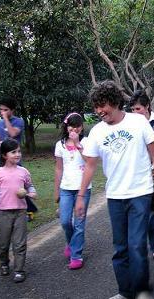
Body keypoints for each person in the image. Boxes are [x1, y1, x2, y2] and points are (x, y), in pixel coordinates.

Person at [74, 80, 154, 299]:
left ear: (115, 102)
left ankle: (142, 291)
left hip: (140, 193)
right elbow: (89, 165)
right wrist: (80, 196)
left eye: (103, 105)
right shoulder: (97, 132)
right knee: (120, 248)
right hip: (115, 195)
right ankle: (125, 292)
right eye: (96, 106)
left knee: (136, 246)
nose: (99, 111)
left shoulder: (138, 122)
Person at [0, 138, 37, 283]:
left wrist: (32, 193)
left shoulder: (24, 172)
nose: (17, 154)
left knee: (20, 243)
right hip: (3, 213)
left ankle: (19, 270)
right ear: (4, 155)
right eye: (13, 152)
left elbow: (30, 186)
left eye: (19, 151)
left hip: (20, 212)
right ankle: (4, 263)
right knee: (3, 244)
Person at [129, 90, 154, 262]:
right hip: (137, 173)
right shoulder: (130, 124)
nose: (135, 113)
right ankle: (139, 246)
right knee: (139, 212)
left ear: (147, 106)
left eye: (138, 109)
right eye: (133, 110)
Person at [54, 112, 91, 270]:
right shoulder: (59, 144)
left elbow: (89, 161)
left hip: (83, 189)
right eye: (71, 126)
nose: (74, 129)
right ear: (66, 126)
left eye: (78, 126)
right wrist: (56, 191)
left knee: (79, 223)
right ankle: (71, 243)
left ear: (82, 128)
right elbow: (58, 169)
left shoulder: (87, 142)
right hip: (66, 189)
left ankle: (76, 255)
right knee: (65, 221)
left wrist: (78, 144)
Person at [0, 96, 24, 170]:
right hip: (1, 159)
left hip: (14, 158)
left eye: (5, 110)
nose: (2, 112)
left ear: (12, 110)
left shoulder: (19, 121)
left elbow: (13, 134)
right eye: (1, 109)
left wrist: (5, 118)